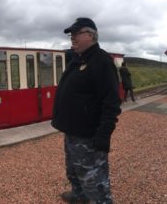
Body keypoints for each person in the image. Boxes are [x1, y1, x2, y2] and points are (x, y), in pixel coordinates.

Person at [52, 17, 121, 204]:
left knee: (95, 181)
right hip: (73, 133)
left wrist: (103, 135)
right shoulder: (78, 59)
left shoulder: (101, 61)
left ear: (90, 35)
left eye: (76, 33)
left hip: (89, 136)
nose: (72, 38)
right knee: (73, 170)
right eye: (71, 35)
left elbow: (112, 103)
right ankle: (78, 195)